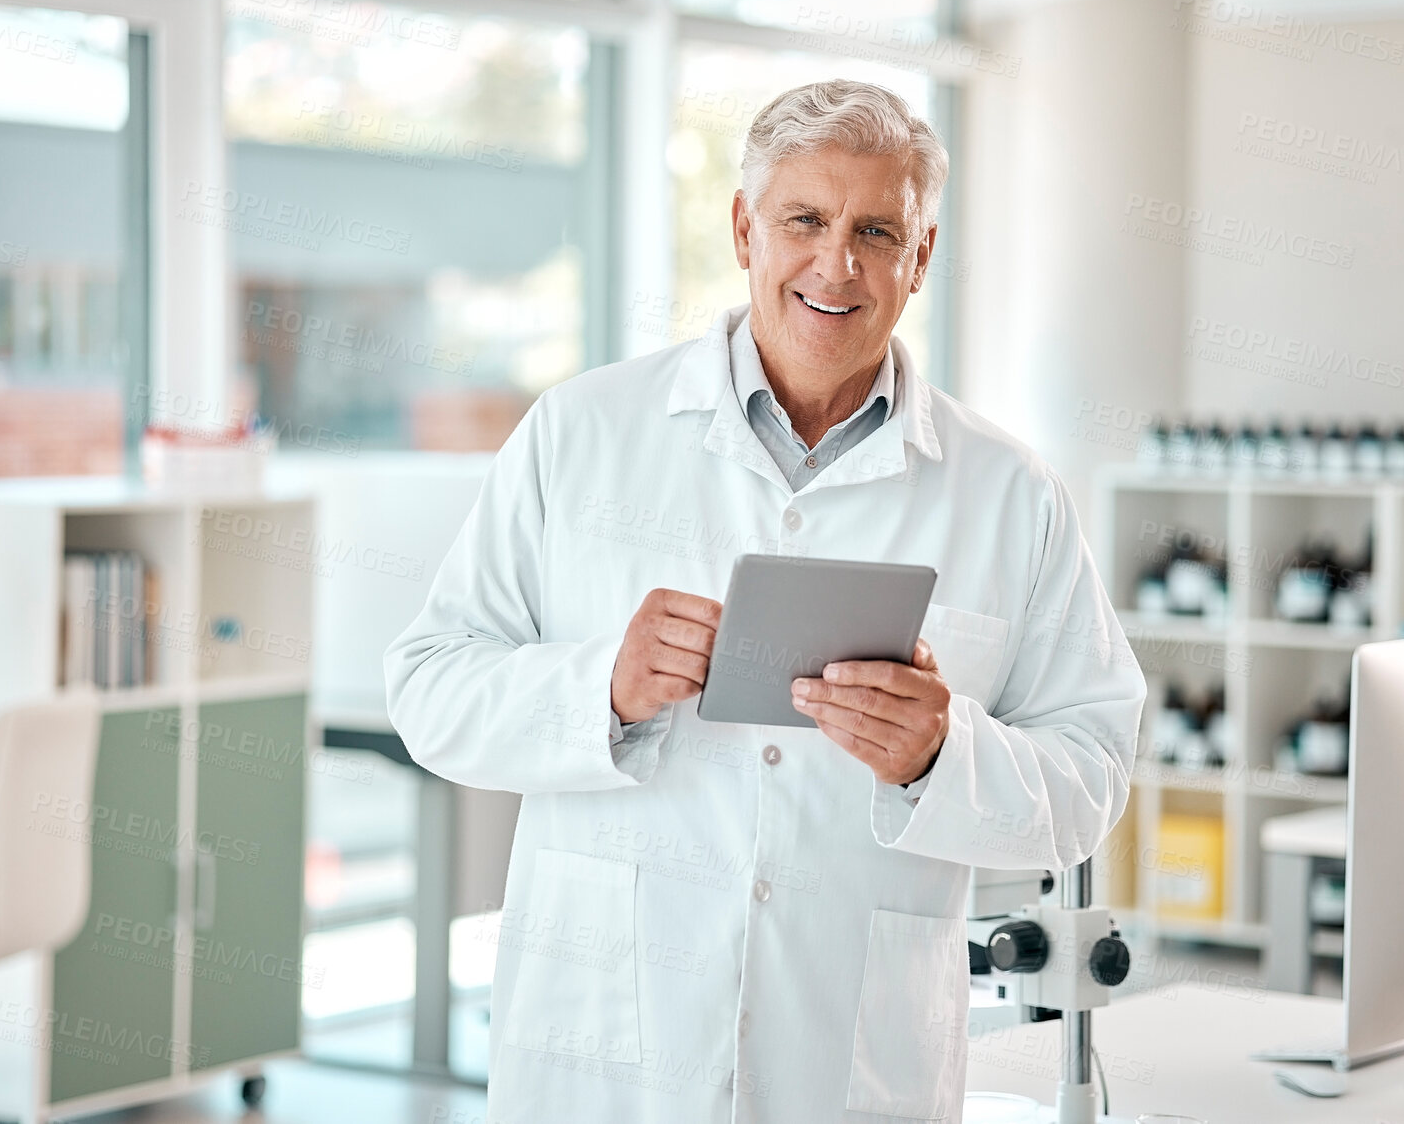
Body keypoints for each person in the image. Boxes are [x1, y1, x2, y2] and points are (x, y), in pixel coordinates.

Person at [385, 78, 1146, 1123]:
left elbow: (1092, 773)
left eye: (878, 230)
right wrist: (597, 687)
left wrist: (941, 754)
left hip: (856, 1071)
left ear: (921, 258)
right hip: (606, 1063)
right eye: (805, 220)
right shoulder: (583, 435)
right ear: (745, 228)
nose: (838, 263)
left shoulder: (1009, 494)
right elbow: (429, 690)